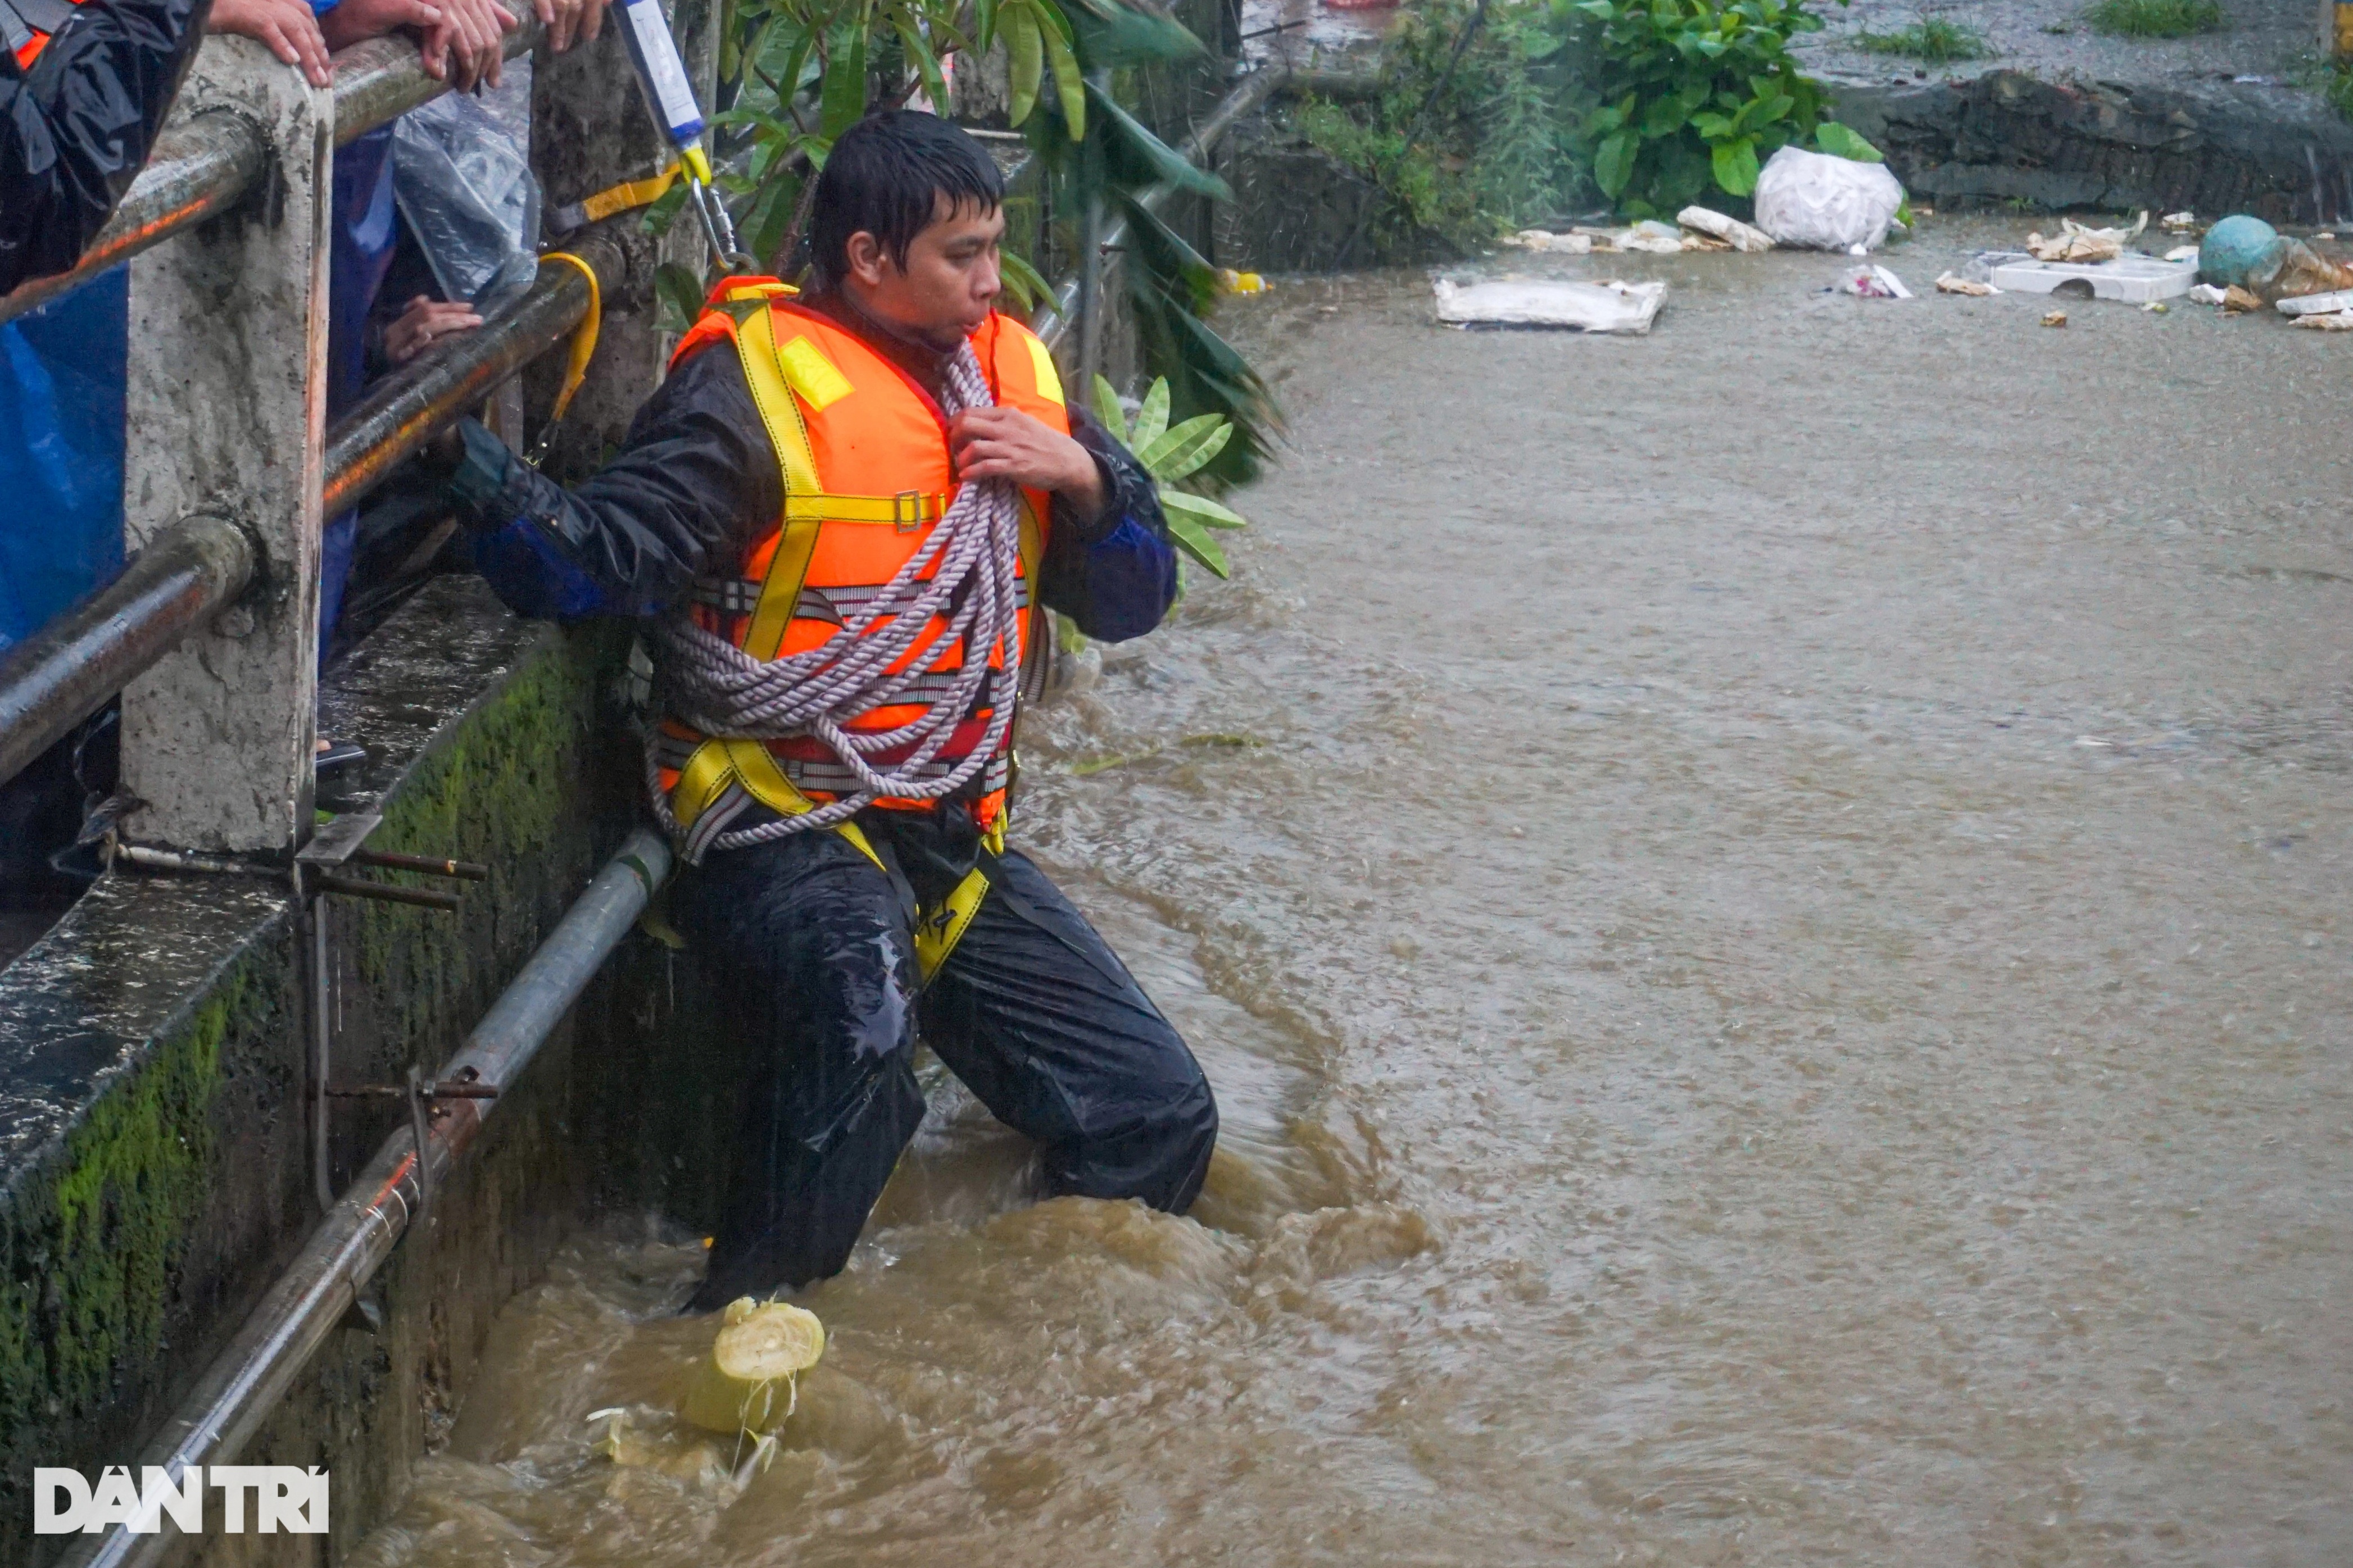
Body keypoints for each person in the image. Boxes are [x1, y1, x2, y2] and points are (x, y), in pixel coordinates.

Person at [433, 110, 1219, 1307]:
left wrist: (1093, 483)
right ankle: (738, 1325)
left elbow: (1133, 603)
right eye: (964, 256)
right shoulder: (744, 401)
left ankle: (1009, 1328)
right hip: (774, 814)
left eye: (995, 249)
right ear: (867, 259)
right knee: (863, 1039)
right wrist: (467, 456)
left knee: (1159, 1115)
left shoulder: (1013, 385)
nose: (993, 283)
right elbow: (593, 566)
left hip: (948, 830)